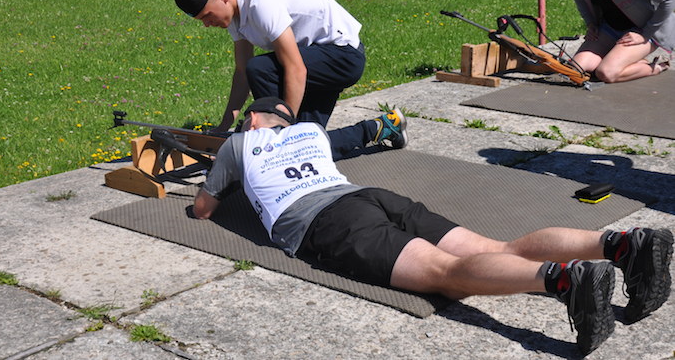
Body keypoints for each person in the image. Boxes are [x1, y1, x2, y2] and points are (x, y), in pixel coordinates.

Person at [191, 96, 673, 355]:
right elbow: (354, 137)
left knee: (448, 274)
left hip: (327, 221)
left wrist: (229, 173)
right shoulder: (311, 132)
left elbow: (204, 209)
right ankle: (620, 244)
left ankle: (563, 280)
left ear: (254, 120)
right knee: (497, 247)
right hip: (371, 197)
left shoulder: (239, 144)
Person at [173, 0, 366, 132]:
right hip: (316, 58)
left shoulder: (260, 3)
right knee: (308, 139)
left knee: (260, 69)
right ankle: (372, 129)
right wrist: (223, 127)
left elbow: (296, 69)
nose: (207, 24)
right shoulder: (235, 15)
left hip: (343, 56)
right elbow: (241, 73)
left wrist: (284, 128)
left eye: (207, 16)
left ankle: (274, 130)